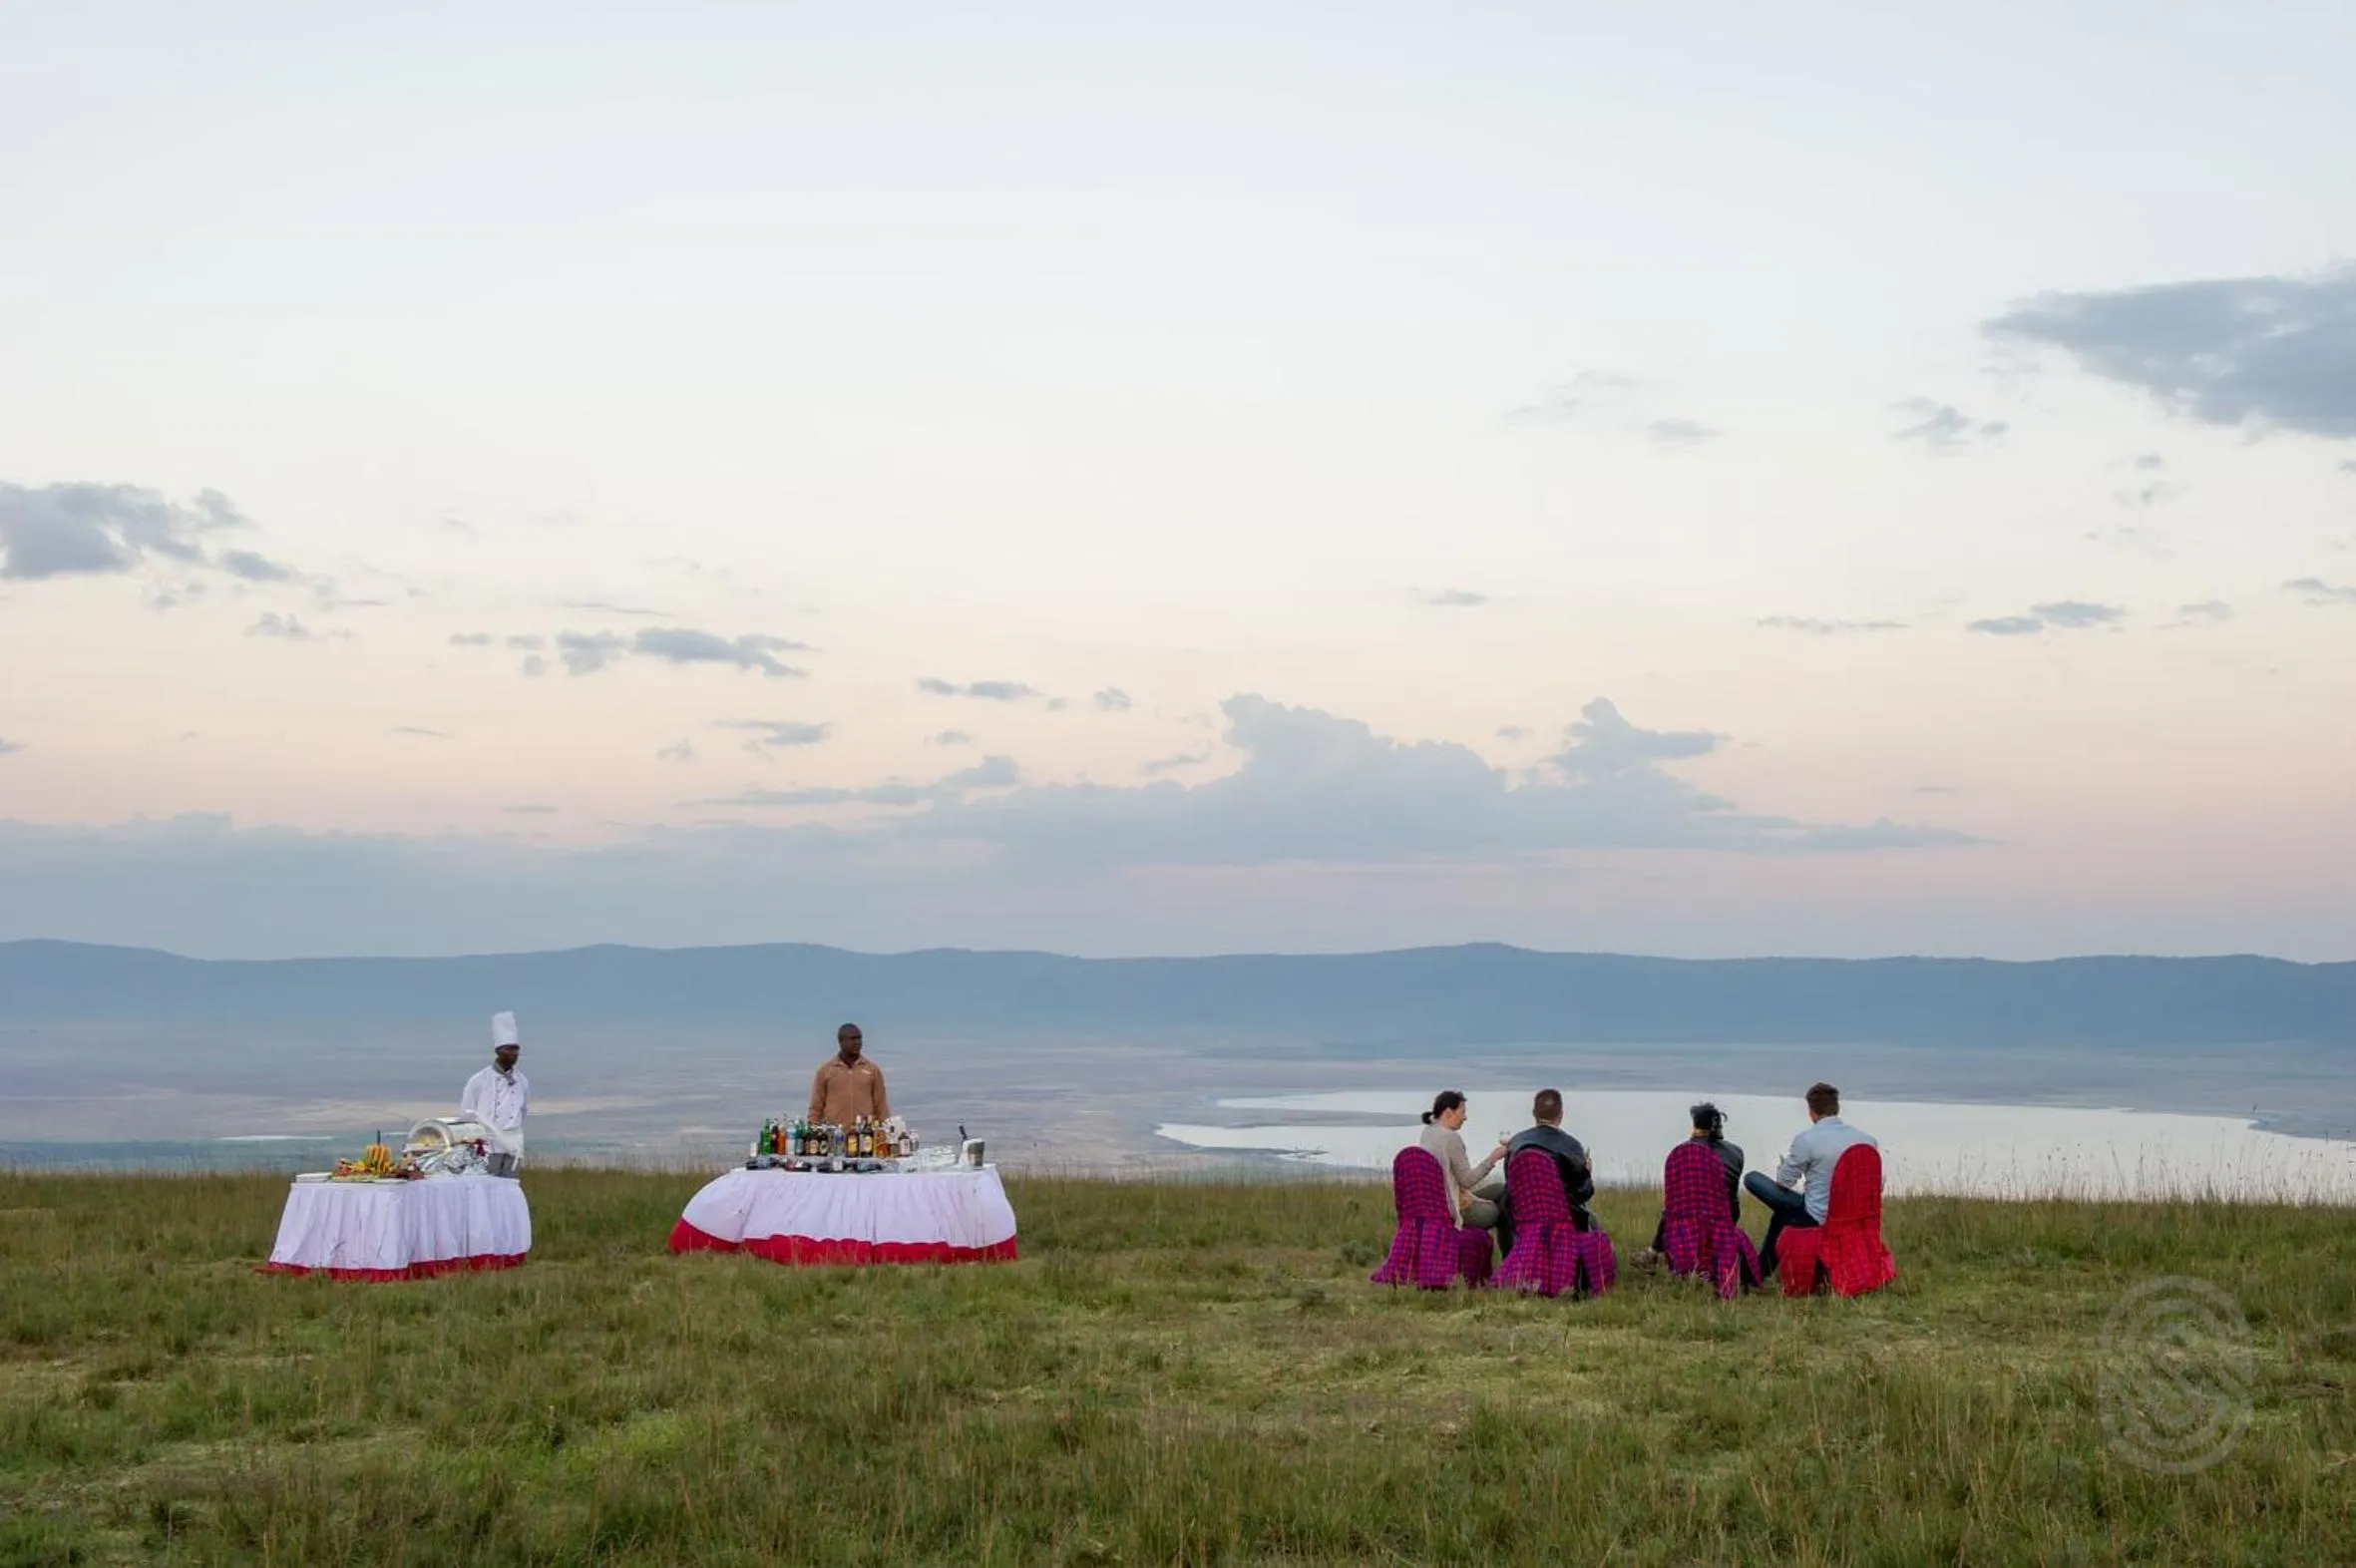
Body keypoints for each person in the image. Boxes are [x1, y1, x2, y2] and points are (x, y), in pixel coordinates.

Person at [1745, 1082, 1877, 1278]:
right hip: (1854, 1214)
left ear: (1811, 1111)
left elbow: (1784, 1182)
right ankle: (1760, 1272)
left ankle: (1758, 1273)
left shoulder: (1807, 1140)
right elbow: (1876, 1184)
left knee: (1753, 1179)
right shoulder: (1867, 1141)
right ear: (1837, 1108)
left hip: (1816, 1215)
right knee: (1784, 1213)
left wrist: (1783, 1167)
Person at [1638, 1101, 1746, 1264]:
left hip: (1687, 1227)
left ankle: (1653, 1251)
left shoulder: (1682, 1153)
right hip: (1724, 1222)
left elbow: (1672, 1207)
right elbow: (1733, 1200)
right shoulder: (1736, 1153)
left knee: (1672, 1207)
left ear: (1695, 1125)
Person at [1497, 1087, 1597, 1255]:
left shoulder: (1516, 1143)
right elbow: (1583, 1193)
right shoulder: (1572, 1146)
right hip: (1561, 1216)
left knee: (1503, 1209)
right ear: (1561, 1115)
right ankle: (1583, 1275)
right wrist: (1587, 1172)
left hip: (1521, 1214)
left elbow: (1511, 1180)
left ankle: (1511, 1259)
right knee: (1593, 1223)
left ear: (1534, 1113)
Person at [1416, 1089, 1508, 1230]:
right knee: (1498, 1212)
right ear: (1448, 1112)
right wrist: (1493, 1158)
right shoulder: (1450, 1138)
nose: (1465, 1117)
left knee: (1502, 1189)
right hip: (1452, 1206)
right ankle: (1504, 1249)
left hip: (1441, 1199)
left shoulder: (1428, 1131)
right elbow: (1467, 1180)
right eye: (1462, 1112)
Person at [458, 1010, 529, 1177]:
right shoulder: (479, 1080)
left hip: (513, 1144)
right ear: (498, 1051)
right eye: (508, 1050)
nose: (513, 1054)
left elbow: (523, 1110)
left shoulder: (522, 1081)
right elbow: (466, 1113)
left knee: (511, 1188)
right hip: (488, 1146)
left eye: (516, 1050)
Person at [808, 1021, 891, 1128]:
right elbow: (816, 1107)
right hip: (835, 1136)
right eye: (853, 1039)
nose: (858, 1042)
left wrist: (885, 1132)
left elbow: (881, 1106)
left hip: (865, 1136)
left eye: (859, 1038)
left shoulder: (872, 1070)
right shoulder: (825, 1071)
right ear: (841, 1041)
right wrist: (811, 1130)